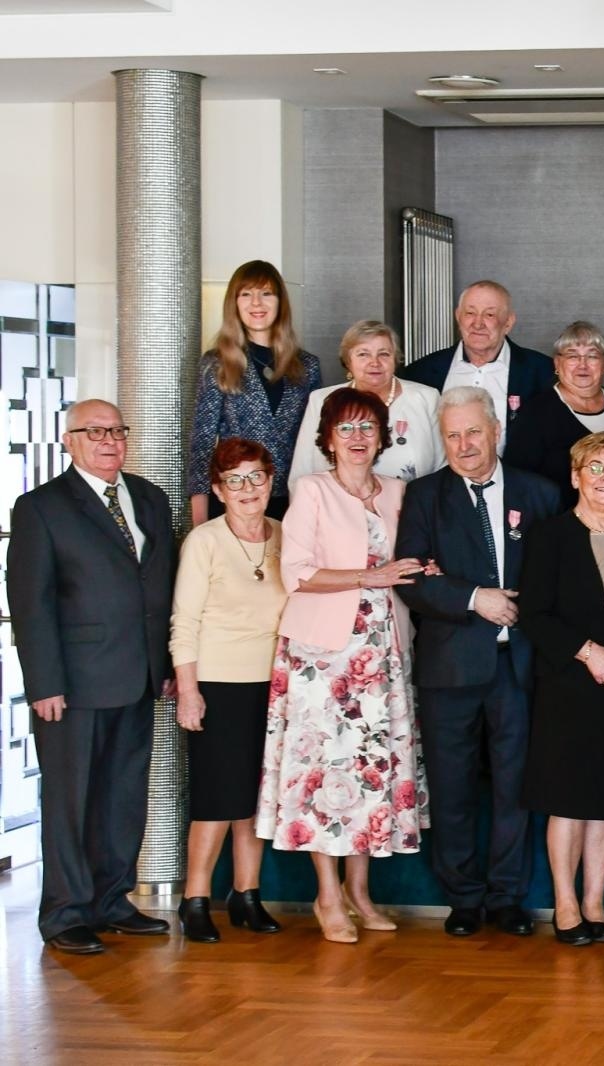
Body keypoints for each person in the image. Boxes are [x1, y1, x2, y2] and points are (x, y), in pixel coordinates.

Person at [254, 387, 432, 944]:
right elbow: (297, 573)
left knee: (373, 772)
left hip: (385, 651)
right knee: (323, 774)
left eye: (367, 428)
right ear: (328, 440)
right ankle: (326, 896)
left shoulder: (401, 491)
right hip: (323, 657)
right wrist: (368, 577)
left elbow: (418, 558)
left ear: (384, 436)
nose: (357, 439)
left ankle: (361, 892)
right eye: (346, 429)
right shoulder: (310, 490)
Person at [9, 400, 176, 955]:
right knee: (71, 798)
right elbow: (30, 603)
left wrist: (168, 665)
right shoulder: (41, 507)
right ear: (70, 440)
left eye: (118, 431)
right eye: (95, 432)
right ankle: (65, 912)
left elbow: (161, 590)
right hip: (73, 684)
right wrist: (44, 684)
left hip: (139, 675)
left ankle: (111, 899)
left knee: (124, 796)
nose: (110, 441)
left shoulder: (149, 498)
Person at [394, 386, 562, 938]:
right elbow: (414, 577)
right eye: (453, 435)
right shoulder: (423, 497)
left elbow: (558, 575)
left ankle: (509, 896)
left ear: (495, 431)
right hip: (450, 667)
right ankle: (463, 897)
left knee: (516, 786)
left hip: (520, 666)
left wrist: (520, 602)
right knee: (452, 786)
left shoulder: (540, 493)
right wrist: (473, 597)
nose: (464, 444)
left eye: (473, 431)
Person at [519, 432, 604, 946]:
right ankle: (566, 905)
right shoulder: (551, 536)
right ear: (575, 476)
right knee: (568, 799)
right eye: (596, 468)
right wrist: (587, 651)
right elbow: (533, 613)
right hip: (568, 685)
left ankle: (595, 902)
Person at [171, 438, 289, 943]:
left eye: (256, 477)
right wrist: (188, 690)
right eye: (234, 480)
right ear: (218, 490)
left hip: (276, 684)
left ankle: (247, 895)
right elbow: (184, 622)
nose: (248, 489)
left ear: (270, 481)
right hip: (217, 683)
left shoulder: (286, 535)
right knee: (218, 799)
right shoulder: (204, 541)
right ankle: (195, 900)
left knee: (255, 800)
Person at [189, 260, 322, 525]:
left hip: (293, 500)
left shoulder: (307, 366)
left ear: (280, 302)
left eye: (266, 293)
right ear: (234, 303)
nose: (256, 303)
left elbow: (316, 441)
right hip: (234, 499)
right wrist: (200, 522)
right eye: (246, 294)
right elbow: (202, 445)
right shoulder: (217, 363)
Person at [505, 321, 604, 512]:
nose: (582, 365)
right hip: (568, 530)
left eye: (592, 356)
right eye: (572, 356)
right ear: (557, 364)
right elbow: (518, 481)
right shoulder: (537, 411)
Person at [399, 279, 555, 460]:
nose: (478, 323)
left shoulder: (542, 372)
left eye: (489, 315)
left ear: (508, 322)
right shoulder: (420, 373)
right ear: (458, 316)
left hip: (516, 484)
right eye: (470, 313)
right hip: (442, 485)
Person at [290, 320, 443, 486]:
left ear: (395, 359)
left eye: (384, 354)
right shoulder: (321, 401)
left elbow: (443, 467)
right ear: (348, 362)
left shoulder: (427, 398)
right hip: (336, 509)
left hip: (414, 509)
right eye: (363, 354)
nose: (374, 362)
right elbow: (301, 474)